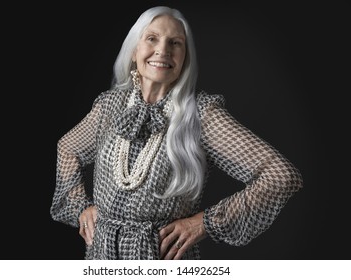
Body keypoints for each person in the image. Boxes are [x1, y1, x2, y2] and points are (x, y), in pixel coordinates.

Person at [50, 6, 303, 260]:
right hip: (101, 255)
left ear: (185, 57)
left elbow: (280, 176)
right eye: (152, 38)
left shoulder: (200, 115)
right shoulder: (110, 106)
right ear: (135, 50)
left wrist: (204, 223)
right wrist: (80, 208)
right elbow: (67, 148)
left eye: (175, 43)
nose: (163, 50)